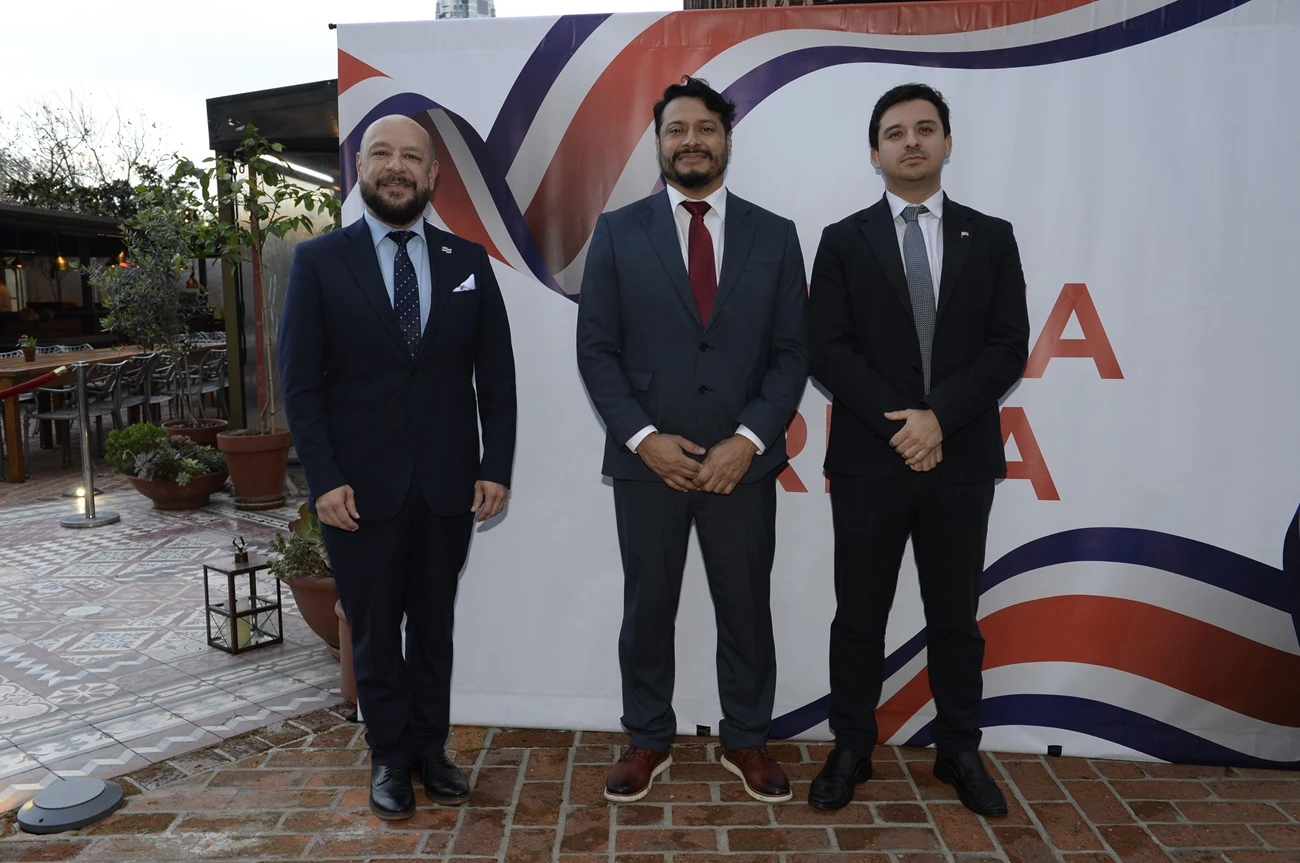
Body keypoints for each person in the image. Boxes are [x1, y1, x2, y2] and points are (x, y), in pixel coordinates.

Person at [576, 77, 809, 805]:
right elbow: (596, 350)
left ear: (727, 139)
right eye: (677, 129)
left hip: (745, 464)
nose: (691, 141)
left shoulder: (775, 235)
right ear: (659, 143)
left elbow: (792, 353)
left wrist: (748, 440)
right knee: (648, 607)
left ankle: (747, 737)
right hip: (650, 465)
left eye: (705, 128)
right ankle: (648, 737)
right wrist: (643, 438)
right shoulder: (618, 232)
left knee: (746, 607)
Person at [279, 114, 517, 821]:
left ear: (433, 174)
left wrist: (496, 465)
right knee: (377, 630)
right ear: (359, 167)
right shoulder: (320, 262)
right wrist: (323, 478)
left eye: (411, 156)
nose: (396, 166)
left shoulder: (468, 261)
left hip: (448, 485)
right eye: (381, 153)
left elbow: (496, 378)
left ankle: (430, 749)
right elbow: (301, 386)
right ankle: (388, 754)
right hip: (356, 491)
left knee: (434, 627)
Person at [806, 83, 1029, 817]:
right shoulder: (842, 240)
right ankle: (851, 747)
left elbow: (1007, 346)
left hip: (960, 459)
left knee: (956, 617)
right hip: (870, 461)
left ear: (947, 143)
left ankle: (959, 749)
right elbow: (828, 349)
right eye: (895, 132)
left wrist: (940, 419)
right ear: (875, 153)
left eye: (925, 129)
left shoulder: (990, 236)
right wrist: (904, 426)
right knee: (858, 616)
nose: (911, 141)